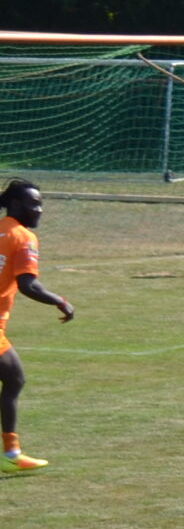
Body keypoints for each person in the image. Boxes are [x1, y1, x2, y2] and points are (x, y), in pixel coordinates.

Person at [0, 178, 75, 472]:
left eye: (41, 204)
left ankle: (11, 452)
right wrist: (60, 301)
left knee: (13, 378)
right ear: (16, 204)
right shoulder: (23, 237)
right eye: (34, 203)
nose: (39, 210)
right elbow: (28, 285)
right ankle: (11, 453)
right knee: (15, 378)